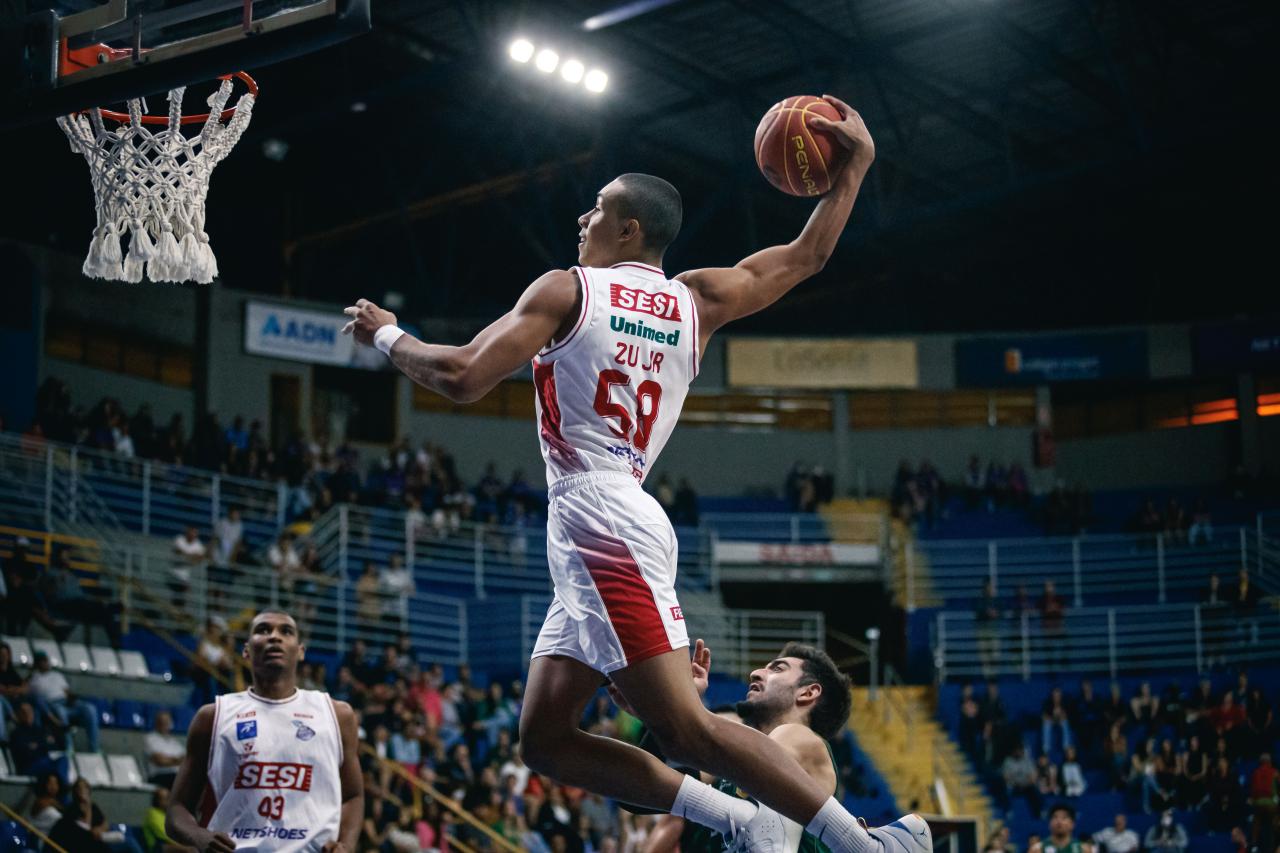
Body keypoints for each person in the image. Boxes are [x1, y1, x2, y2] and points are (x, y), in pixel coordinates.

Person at [343, 99, 926, 852]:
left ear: (629, 229)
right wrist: (856, 170)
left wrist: (386, 333)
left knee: (687, 728)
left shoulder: (568, 289)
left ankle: (869, 845)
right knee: (546, 739)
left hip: (598, 519)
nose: (582, 220)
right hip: (620, 515)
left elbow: (460, 377)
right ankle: (743, 820)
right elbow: (806, 255)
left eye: (596, 210)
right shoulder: (698, 299)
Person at [166, 610, 364, 852]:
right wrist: (199, 836)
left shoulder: (337, 715)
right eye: (263, 630)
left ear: (300, 651)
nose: (274, 637)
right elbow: (176, 810)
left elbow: (353, 796)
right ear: (246, 651)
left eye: (286, 631)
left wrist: (346, 845)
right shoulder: (213, 716)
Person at [628, 641, 852, 853]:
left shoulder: (802, 739)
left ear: (807, 693)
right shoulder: (731, 768)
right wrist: (677, 704)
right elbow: (641, 789)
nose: (756, 673)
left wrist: (682, 705)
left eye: (777, 669)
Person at [28, 649, 99, 752]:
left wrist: (72, 699)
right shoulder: (34, 678)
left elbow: (67, 692)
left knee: (90, 709)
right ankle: (68, 746)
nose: (45, 663)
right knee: (61, 712)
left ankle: (94, 748)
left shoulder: (57, 675)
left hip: (66, 703)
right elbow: (34, 697)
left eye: (46, 660)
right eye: (42, 661)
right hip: (52, 705)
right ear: (37, 663)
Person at [1027, 803, 1092, 853]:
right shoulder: (1037, 849)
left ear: (1072, 824)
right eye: (1055, 817)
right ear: (1049, 824)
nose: (1059, 821)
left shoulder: (1084, 849)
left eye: (1064, 818)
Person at [144, 709, 186, 787]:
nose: (164, 724)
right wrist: (177, 760)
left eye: (167, 721)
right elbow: (160, 761)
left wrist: (170, 760)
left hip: (175, 775)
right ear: (156, 723)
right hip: (158, 776)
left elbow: (186, 760)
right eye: (161, 721)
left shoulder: (174, 742)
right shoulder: (150, 738)